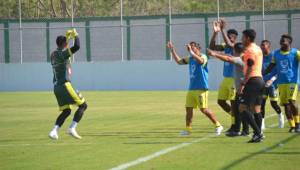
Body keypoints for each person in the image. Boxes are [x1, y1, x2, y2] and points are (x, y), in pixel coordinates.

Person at [167, 41, 223, 136]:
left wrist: (192, 53)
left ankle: (218, 125)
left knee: (204, 109)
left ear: (198, 48)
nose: (191, 49)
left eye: (193, 47)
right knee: (188, 109)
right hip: (192, 88)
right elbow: (179, 62)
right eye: (190, 47)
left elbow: (201, 61)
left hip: (201, 88)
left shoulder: (203, 56)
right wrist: (172, 50)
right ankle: (188, 130)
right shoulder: (191, 58)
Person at [49, 28, 88, 140]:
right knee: (83, 105)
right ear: (64, 44)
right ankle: (72, 128)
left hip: (56, 87)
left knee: (67, 111)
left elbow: (64, 55)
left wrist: (67, 40)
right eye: (66, 42)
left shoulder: (53, 54)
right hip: (65, 85)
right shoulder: (62, 54)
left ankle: (54, 131)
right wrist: (76, 36)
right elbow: (77, 47)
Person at [207, 43, 249, 137]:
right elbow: (228, 56)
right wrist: (215, 52)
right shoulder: (242, 56)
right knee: (239, 108)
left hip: (241, 87)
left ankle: (242, 129)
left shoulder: (240, 59)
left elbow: (228, 58)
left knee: (239, 108)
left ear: (235, 50)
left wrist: (214, 54)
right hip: (241, 86)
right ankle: (241, 129)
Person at [264, 34, 300, 133]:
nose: (281, 42)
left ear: (289, 42)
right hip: (281, 82)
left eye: (283, 41)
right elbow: (271, 66)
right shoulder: (276, 54)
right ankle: (292, 126)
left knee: (291, 101)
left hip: (292, 81)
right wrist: (261, 73)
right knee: (286, 104)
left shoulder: (295, 53)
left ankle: (298, 124)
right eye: (280, 40)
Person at [209, 19, 238, 132]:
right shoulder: (224, 46)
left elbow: (230, 44)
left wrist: (222, 30)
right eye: (228, 36)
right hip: (226, 79)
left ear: (235, 37)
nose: (230, 37)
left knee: (233, 102)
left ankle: (234, 124)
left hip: (234, 79)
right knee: (220, 101)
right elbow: (211, 46)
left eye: (232, 36)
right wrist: (215, 33)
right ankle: (236, 117)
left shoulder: (236, 45)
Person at [239, 29, 265, 143]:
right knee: (256, 109)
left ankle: (258, 133)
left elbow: (250, 66)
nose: (241, 39)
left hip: (252, 81)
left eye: (243, 37)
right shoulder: (258, 48)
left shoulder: (250, 50)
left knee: (242, 108)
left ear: (248, 38)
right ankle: (258, 134)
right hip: (260, 80)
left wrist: (244, 82)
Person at [260, 40, 284, 130]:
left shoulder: (274, 56)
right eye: (261, 45)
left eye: (263, 45)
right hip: (262, 84)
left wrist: (272, 80)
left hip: (273, 84)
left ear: (268, 46)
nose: (262, 47)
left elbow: (279, 71)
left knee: (274, 103)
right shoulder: (260, 57)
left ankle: (280, 116)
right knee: (262, 103)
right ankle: (262, 124)